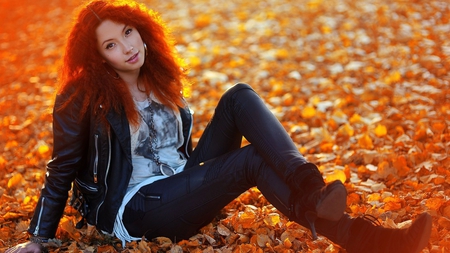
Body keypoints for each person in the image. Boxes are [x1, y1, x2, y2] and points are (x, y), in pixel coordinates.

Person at [6, 0, 432, 252]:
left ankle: (318, 194)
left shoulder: (159, 78)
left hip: (183, 184)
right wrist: (38, 238)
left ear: (141, 30)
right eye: (112, 45)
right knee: (251, 161)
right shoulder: (84, 97)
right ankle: (357, 231)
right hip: (136, 210)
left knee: (239, 96)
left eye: (129, 33)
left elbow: (180, 151)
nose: (128, 47)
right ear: (99, 57)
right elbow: (60, 168)